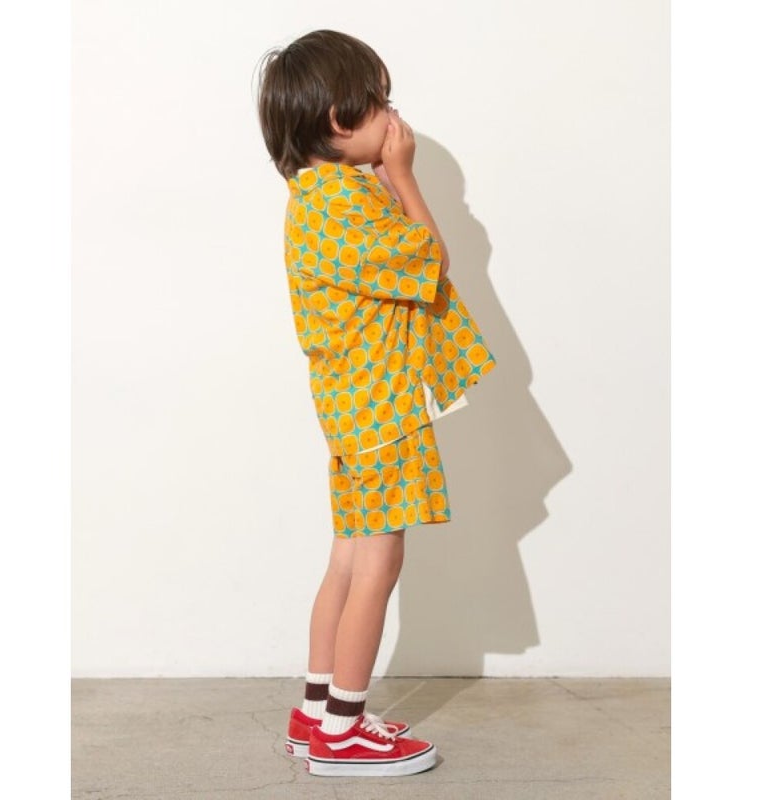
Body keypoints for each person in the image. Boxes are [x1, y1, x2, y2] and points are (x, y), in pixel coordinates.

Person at [256, 29, 496, 777]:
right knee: (379, 561)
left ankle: (315, 711)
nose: (393, 118)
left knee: (348, 557)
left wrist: (384, 174)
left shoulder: (317, 197)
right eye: (379, 103)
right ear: (339, 118)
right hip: (380, 406)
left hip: (349, 407)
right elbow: (432, 258)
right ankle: (344, 730)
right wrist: (403, 173)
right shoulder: (348, 203)